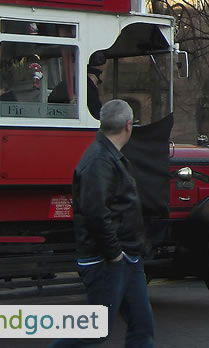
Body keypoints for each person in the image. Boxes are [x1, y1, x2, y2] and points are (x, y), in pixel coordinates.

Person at [51, 99, 153, 348]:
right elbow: (95, 213)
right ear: (129, 125)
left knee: (142, 327)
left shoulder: (108, 155)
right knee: (94, 330)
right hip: (107, 260)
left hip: (126, 257)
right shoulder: (99, 160)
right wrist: (115, 254)